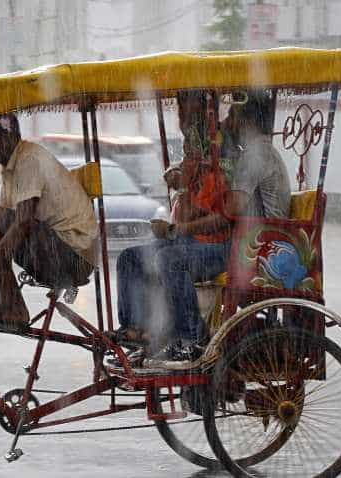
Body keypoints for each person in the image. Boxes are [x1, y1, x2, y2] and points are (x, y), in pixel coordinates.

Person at [143, 91, 292, 369]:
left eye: (234, 114)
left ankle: (192, 339)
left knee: (169, 260)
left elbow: (231, 209)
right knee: (149, 254)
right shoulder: (254, 152)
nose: (229, 120)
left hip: (253, 249)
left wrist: (191, 203)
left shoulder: (255, 155)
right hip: (247, 242)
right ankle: (162, 330)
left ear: (246, 120)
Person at [0, 114, 98, 330]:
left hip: (74, 260)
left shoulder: (29, 159)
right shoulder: (11, 168)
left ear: (4, 138)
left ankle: (12, 306)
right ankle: (9, 303)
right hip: (58, 251)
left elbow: (22, 223)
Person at [112, 91, 232, 360]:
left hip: (219, 245)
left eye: (186, 105)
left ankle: (191, 336)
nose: (181, 114)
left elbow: (223, 216)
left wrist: (177, 229)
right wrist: (178, 175)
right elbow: (185, 183)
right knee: (130, 258)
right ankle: (139, 329)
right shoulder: (193, 140)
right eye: (179, 106)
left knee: (168, 259)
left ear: (203, 106)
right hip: (190, 238)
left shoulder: (220, 145)